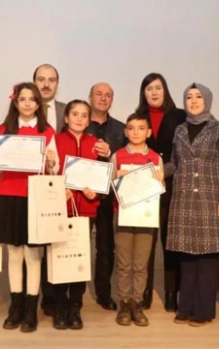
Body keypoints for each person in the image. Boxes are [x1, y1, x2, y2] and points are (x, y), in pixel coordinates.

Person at [0, 82, 59, 333]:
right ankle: (15, 307)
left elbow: (55, 168)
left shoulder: (47, 131)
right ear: (15, 102)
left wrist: (51, 161)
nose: (27, 103)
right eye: (23, 99)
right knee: (14, 254)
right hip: (9, 195)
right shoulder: (4, 130)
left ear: (38, 104)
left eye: (32, 99)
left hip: (35, 198)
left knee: (33, 255)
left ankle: (31, 310)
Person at [165, 83, 219, 327]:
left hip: (209, 199)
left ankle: (204, 311)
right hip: (183, 198)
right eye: (189, 97)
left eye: (198, 97)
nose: (193, 101)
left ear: (208, 100)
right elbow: (175, 163)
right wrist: (155, 172)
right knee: (186, 255)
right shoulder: (180, 130)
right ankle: (186, 308)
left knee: (207, 256)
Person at [136, 73, 186, 311]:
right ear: (143, 93)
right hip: (144, 188)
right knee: (146, 241)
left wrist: (165, 172)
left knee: (170, 242)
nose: (154, 93)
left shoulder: (180, 117)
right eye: (149, 89)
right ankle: (143, 292)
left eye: (158, 88)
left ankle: (170, 294)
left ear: (165, 90)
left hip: (172, 185)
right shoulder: (138, 118)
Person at [52, 99, 102, 330]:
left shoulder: (96, 145)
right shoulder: (57, 140)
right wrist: (58, 189)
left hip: (86, 210)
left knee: (79, 259)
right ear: (66, 118)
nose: (79, 118)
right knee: (60, 257)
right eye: (75, 114)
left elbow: (103, 179)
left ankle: (75, 308)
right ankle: (60, 308)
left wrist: (96, 194)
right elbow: (48, 172)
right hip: (61, 209)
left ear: (89, 119)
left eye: (84, 115)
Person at [111, 114, 164, 327]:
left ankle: (137, 302)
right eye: (131, 128)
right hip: (123, 214)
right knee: (124, 262)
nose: (135, 132)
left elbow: (159, 190)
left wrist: (160, 180)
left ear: (148, 132)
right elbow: (108, 185)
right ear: (125, 132)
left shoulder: (155, 158)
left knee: (141, 263)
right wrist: (116, 176)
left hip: (146, 216)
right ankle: (124, 302)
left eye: (140, 128)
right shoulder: (117, 156)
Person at [86, 83, 124, 311]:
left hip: (107, 197)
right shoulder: (77, 122)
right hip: (81, 195)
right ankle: (75, 292)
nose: (103, 98)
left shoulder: (120, 129)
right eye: (98, 94)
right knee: (76, 243)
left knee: (106, 247)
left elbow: (124, 159)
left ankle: (104, 293)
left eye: (108, 95)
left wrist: (110, 153)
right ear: (90, 97)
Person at [34, 63, 66, 316]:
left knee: (55, 243)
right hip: (31, 189)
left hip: (59, 188)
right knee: (34, 245)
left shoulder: (68, 112)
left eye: (51, 80)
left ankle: (53, 297)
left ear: (57, 83)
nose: (46, 84)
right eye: (41, 79)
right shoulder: (22, 110)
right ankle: (32, 297)